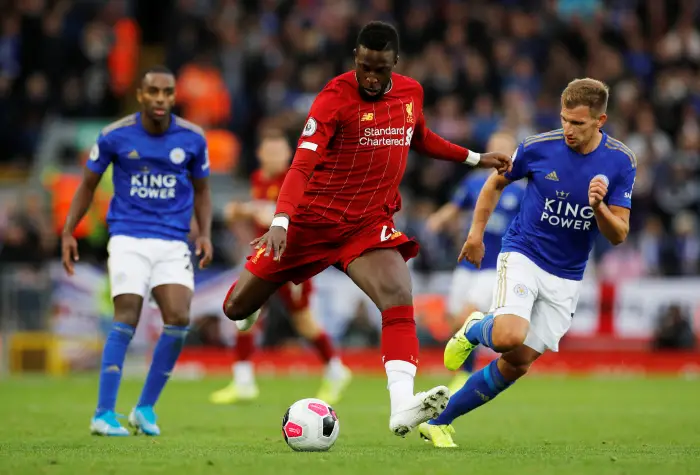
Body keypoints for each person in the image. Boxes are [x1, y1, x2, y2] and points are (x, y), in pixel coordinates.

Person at [222, 21, 512, 437]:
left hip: (366, 225)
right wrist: (282, 220)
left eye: (380, 68)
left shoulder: (411, 92)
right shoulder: (332, 99)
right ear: (355, 60)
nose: (371, 77)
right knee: (236, 308)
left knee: (398, 293)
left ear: (395, 62)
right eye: (364, 67)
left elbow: (422, 138)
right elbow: (301, 165)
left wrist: (475, 158)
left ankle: (401, 407)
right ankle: (248, 314)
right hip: (309, 223)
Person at [419, 78, 636, 447]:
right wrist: (475, 234)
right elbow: (493, 184)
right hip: (524, 254)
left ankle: (439, 421)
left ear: (601, 120)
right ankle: (475, 328)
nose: (568, 129)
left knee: (517, 362)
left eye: (579, 123)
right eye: (565, 119)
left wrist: (599, 207)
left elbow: (618, 234)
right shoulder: (539, 148)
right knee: (507, 336)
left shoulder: (620, 161)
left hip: (567, 275)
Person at [61, 65, 213, 437]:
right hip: (129, 237)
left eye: (167, 92)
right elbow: (87, 185)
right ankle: (102, 413)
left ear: (175, 96)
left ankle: (144, 408)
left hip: (174, 241)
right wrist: (68, 231)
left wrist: (205, 233)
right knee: (126, 315)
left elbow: (204, 191)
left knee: (178, 319)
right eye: (153, 92)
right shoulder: (115, 136)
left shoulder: (192, 139)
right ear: (140, 95)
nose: (160, 99)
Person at [210, 130, 351, 405]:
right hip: (265, 257)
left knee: (303, 322)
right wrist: (240, 214)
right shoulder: (258, 180)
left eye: (279, 152)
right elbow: (255, 216)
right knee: (246, 312)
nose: (275, 157)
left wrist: (252, 210)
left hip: (290, 259)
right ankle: (243, 380)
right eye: (270, 151)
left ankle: (335, 369)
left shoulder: (297, 179)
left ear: (288, 155)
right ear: (260, 155)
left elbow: (286, 214)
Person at [425, 131, 524, 394]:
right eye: (494, 148)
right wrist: (437, 220)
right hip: (468, 264)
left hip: (495, 266)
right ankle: (468, 371)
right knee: (453, 320)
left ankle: (467, 374)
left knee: (465, 316)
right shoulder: (474, 182)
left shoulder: (521, 190)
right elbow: (455, 206)